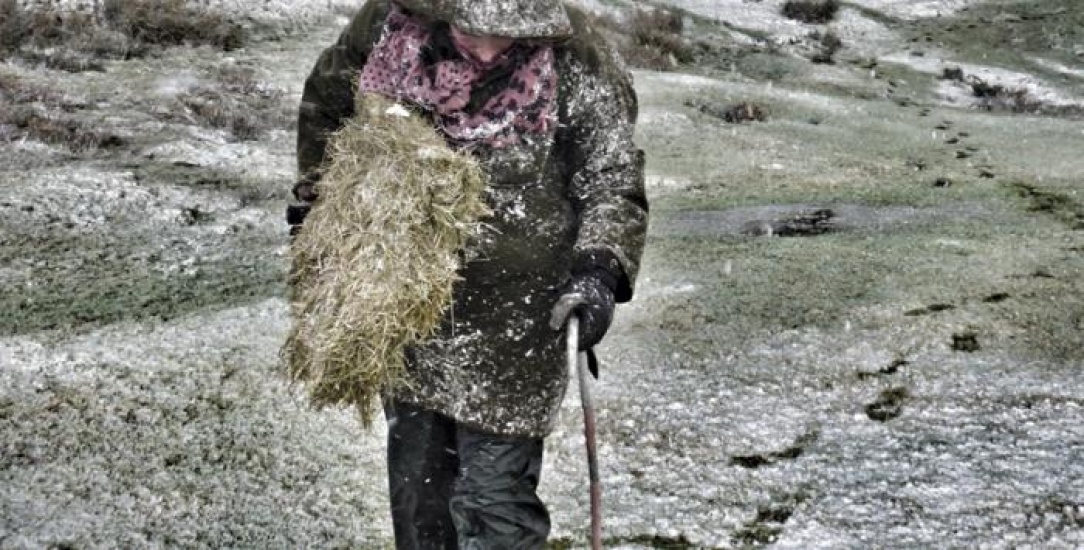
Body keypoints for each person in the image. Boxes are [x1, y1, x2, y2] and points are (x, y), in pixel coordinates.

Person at [288, 1, 648, 548]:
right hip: (408, 305)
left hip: (518, 321)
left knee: (493, 504)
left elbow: (611, 172)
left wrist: (600, 268)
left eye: (503, 33)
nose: (484, 47)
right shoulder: (388, 29)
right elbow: (328, 108)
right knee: (420, 497)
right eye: (470, 29)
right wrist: (326, 203)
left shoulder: (576, 54)